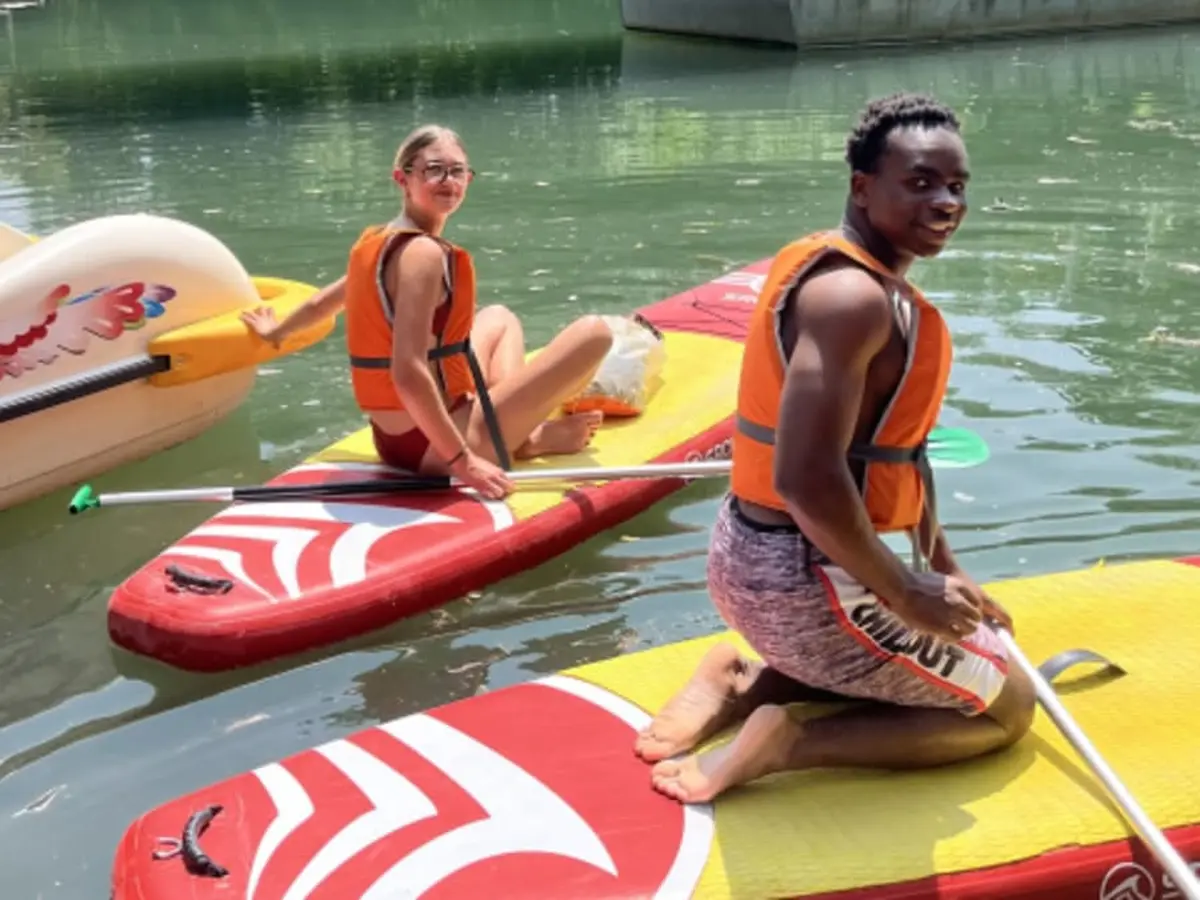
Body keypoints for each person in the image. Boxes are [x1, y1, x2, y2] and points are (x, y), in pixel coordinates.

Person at [633, 94, 1037, 804]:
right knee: (1009, 707)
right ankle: (790, 739)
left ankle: (744, 681)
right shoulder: (851, 299)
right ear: (862, 187)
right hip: (804, 582)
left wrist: (942, 563)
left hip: (755, 557)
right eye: (920, 183)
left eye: (957, 186)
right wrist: (906, 589)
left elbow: (899, 450)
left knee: (976, 648)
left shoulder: (842, 271)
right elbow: (806, 477)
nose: (946, 202)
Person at [241, 124, 614, 499]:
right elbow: (407, 372)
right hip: (436, 446)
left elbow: (323, 303)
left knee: (499, 318)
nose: (448, 180)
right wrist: (464, 462)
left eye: (458, 171)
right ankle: (522, 440)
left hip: (396, 439)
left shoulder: (382, 241)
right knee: (595, 332)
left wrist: (275, 332)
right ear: (402, 178)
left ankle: (516, 428)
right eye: (434, 169)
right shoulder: (423, 254)